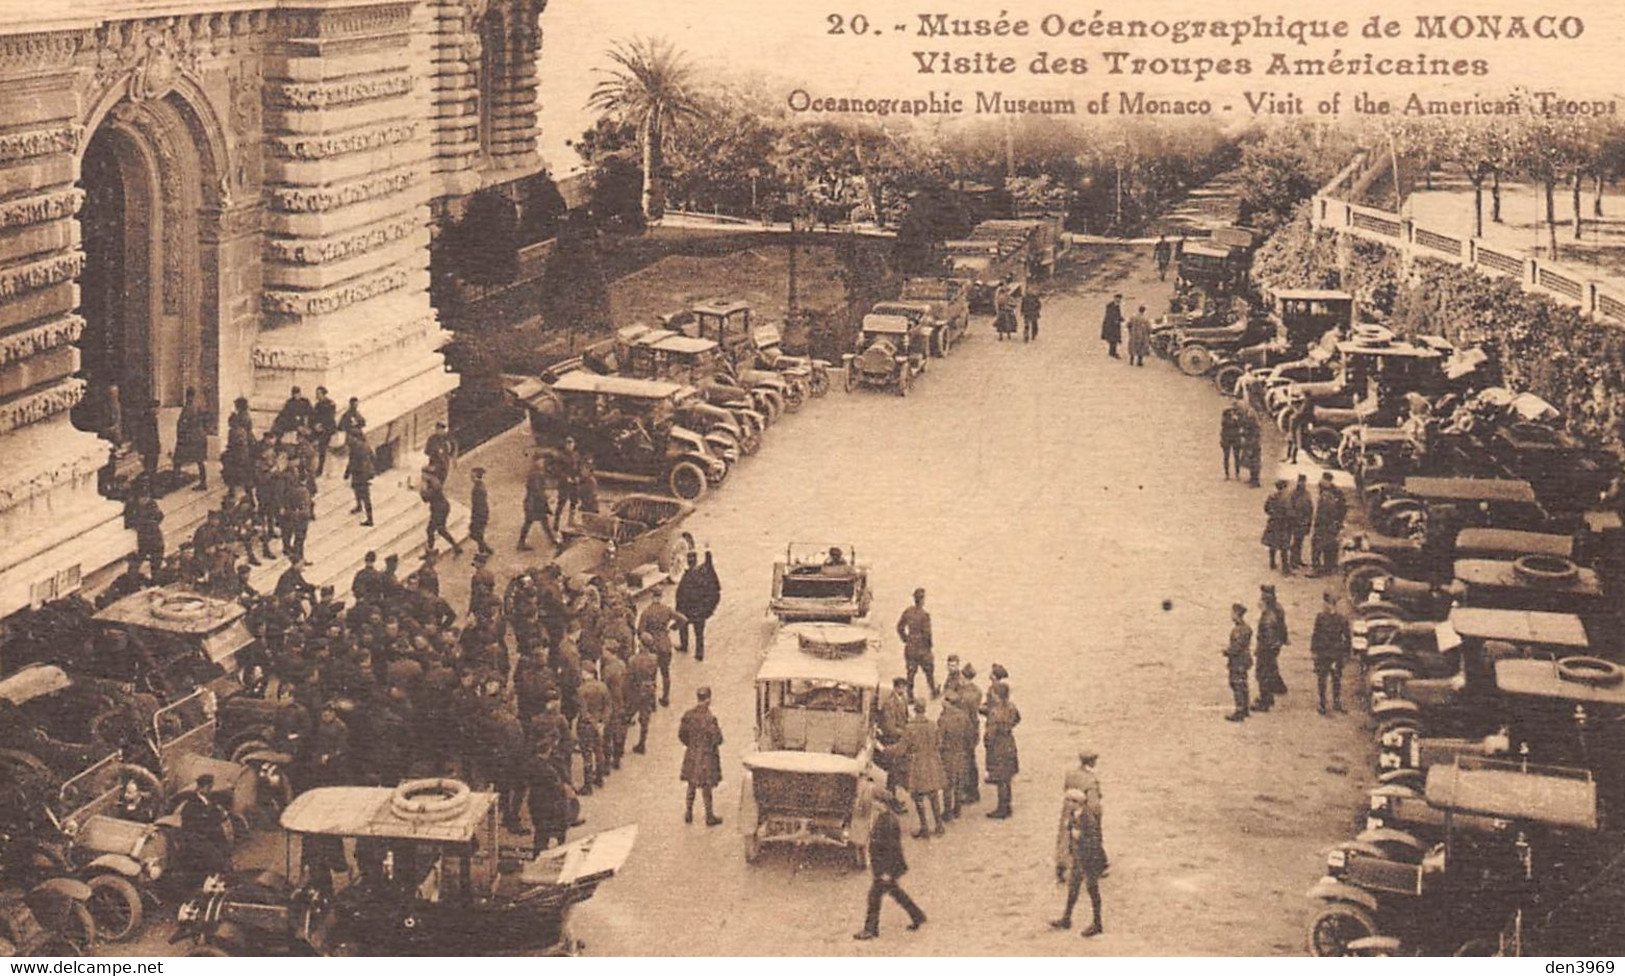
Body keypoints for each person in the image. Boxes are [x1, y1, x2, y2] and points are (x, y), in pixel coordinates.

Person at [853, 783, 926, 940]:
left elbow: (892, 849)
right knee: (896, 893)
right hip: (885, 869)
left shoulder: (887, 822)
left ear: (881, 803)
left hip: (886, 869)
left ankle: (870, 930)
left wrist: (887, 872)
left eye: (874, 802)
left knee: (874, 897)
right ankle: (918, 916)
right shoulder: (884, 818)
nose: (872, 805)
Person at [1051, 775, 1105, 937]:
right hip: (1079, 858)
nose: (1067, 804)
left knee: (1092, 890)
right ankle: (1066, 919)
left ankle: (1097, 923)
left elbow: (1095, 841)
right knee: (1073, 888)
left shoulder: (1087, 818)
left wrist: (1079, 836)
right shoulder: (1075, 815)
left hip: (1089, 859)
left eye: (1069, 801)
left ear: (1077, 803)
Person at [678, 686, 724, 826]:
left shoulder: (688, 715)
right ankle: (709, 816)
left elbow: (681, 735)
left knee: (691, 784)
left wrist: (691, 745)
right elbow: (717, 738)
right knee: (706, 786)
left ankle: (688, 812)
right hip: (706, 755)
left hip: (691, 754)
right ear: (708, 699)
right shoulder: (710, 718)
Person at [901, 700, 946, 838]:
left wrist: (884, 749)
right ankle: (939, 826)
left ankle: (925, 828)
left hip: (918, 764)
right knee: (933, 794)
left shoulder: (910, 728)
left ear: (914, 709)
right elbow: (939, 743)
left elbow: (902, 748)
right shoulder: (932, 725)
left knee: (918, 796)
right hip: (932, 762)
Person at [175, 773, 232, 880]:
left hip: (209, 838)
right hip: (197, 841)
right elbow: (191, 828)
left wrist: (221, 815)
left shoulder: (209, 802)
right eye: (208, 787)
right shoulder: (191, 805)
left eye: (210, 787)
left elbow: (216, 816)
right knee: (215, 857)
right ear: (201, 788)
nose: (210, 790)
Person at [638, 588, 686, 706]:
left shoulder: (646, 612)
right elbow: (683, 619)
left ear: (651, 597)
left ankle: (652, 702)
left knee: (651, 676)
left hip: (652, 647)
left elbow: (640, 631)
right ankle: (665, 698)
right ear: (661, 597)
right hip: (665, 644)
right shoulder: (666, 610)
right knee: (665, 673)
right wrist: (673, 628)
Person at [675, 549, 721, 661]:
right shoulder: (702, 574)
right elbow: (709, 568)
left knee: (684, 628)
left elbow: (681, 595)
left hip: (687, 610)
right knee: (699, 633)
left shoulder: (687, 576)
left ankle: (684, 646)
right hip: (699, 611)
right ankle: (699, 654)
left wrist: (678, 610)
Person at [983, 682, 1021, 819]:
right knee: (1007, 777)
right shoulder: (1011, 706)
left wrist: (987, 743)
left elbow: (989, 734)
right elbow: (1018, 718)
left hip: (998, 747)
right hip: (1009, 743)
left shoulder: (995, 711)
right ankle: (1007, 806)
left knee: (1000, 779)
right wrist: (1008, 727)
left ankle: (1002, 809)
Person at [1311, 591, 1352, 715]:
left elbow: (1348, 638)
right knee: (1322, 680)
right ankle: (1323, 703)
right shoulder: (1320, 617)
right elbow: (1315, 635)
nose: (1324, 606)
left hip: (1335, 654)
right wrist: (1313, 651)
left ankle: (1336, 702)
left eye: (1326, 603)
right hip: (1323, 654)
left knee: (1336, 679)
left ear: (1331, 605)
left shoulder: (1342, 619)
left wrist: (1346, 654)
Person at [936, 691, 973, 822]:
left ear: (948, 703)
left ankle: (947, 812)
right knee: (959, 783)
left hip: (948, 755)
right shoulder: (964, 717)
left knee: (947, 784)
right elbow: (970, 736)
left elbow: (939, 740)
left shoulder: (944, 719)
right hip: (962, 753)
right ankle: (957, 809)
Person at [896, 587, 937, 700]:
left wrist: (906, 639)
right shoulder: (925, 615)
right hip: (922, 649)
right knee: (929, 671)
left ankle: (910, 695)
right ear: (922, 600)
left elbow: (899, 627)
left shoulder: (908, 611)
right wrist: (929, 648)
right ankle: (933, 691)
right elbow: (927, 634)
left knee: (911, 672)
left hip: (910, 647)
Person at [1253, 584, 1289, 712]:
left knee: (1262, 674)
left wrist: (1260, 650)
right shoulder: (1278, 609)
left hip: (1267, 648)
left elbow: (1266, 638)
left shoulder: (1267, 617)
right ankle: (1279, 687)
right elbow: (1282, 626)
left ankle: (1265, 701)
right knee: (1271, 666)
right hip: (1275, 645)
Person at [1310, 472, 1348, 575]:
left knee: (1318, 545)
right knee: (1330, 545)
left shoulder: (1328, 496)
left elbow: (1340, 509)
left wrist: (1337, 522)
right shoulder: (1336, 492)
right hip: (1332, 524)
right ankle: (1329, 567)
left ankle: (1317, 569)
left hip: (1325, 524)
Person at [421, 465, 460, 556]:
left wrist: (422, 488)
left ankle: (431, 551)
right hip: (440, 508)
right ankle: (455, 546)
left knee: (433, 530)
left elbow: (425, 498)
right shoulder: (434, 482)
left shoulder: (434, 485)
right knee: (436, 530)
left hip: (440, 510)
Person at [1224, 603, 1253, 722]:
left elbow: (1236, 647)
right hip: (1244, 660)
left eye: (1232, 613)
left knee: (1236, 684)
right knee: (1243, 684)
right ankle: (1245, 709)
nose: (1231, 615)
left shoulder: (1237, 630)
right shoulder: (1246, 628)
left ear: (1237, 614)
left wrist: (1226, 651)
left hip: (1237, 661)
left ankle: (1240, 711)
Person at [174, 387, 208, 489]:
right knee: (200, 460)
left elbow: (183, 423)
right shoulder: (199, 405)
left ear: (188, 396)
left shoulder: (189, 407)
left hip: (190, 437)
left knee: (177, 458)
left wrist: (180, 435)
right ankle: (203, 482)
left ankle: (176, 478)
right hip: (200, 435)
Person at [518, 455, 553, 550]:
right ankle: (552, 540)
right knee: (535, 522)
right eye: (540, 461)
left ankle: (521, 543)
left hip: (534, 503)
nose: (542, 463)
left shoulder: (536, 473)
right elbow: (536, 490)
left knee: (539, 522)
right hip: (534, 503)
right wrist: (545, 496)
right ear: (535, 462)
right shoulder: (535, 474)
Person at [344, 425, 375, 526]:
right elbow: (373, 457)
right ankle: (359, 506)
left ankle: (370, 519)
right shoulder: (364, 445)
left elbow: (352, 461)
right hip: (361, 473)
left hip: (360, 473)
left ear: (355, 437)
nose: (348, 439)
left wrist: (347, 473)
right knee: (356, 489)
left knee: (365, 495)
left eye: (350, 437)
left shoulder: (357, 447)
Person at [1262, 478, 1292, 575]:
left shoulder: (1272, 496)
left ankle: (1272, 563)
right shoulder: (1286, 498)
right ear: (1284, 487)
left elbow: (1266, 508)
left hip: (1273, 522)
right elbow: (1289, 512)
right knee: (1284, 546)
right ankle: (1285, 568)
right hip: (1282, 524)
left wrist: (1272, 514)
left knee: (1272, 543)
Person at [1288, 473, 1315, 571]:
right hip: (1296, 522)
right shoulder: (1293, 494)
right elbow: (1290, 508)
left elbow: (1310, 508)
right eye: (1300, 482)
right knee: (1295, 542)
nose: (1301, 484)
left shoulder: (1307, 494)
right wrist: (1293, 519)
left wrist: (1308, 521)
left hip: (1304, 522)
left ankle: (1298, 559)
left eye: (1303, 482)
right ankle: (1292, 561)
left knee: (1300, 542)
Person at [310, 387, 337, 477]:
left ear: (324, 394)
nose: (317, 395)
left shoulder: (330, 404)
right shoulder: (317, 405)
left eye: (319, 393)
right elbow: (313, 417)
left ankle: (321, 469)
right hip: (319, 429)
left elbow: (329, 418)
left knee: (323, 448)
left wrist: (321, 426)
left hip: (328, 430)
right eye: (316, 393)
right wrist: (315, 425)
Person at [133, 398, 161, 480]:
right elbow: (143, 436)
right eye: (157, 408)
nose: (159, 410)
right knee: (150, 470)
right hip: (149, 449)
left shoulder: (153, 418)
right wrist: (142, 452)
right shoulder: (146, 420)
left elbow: (155, 435)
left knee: (152, 470)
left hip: (153, 448)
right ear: (152, 408)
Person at [468, 466, 492, 556]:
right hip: (481, 513)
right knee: (476, 533)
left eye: (472, 476)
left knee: (476, 533)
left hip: (479, 514)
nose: (470, 478)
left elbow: (478, 505)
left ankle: (483, 551)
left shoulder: (478, 489)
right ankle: (485, 548)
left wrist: (476, 516)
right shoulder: (479, 486)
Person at [1220, 401, 1246, 481]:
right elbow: (1225, 424)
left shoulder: (1239, 416)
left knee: (1236, 457)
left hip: (1235, 438)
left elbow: (1242, 424)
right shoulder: (1225, 417)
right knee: (1226, 457)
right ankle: (1227, 474)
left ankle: (1237, 474)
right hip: (1227, 439)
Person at [1240, 406, 1263, 487]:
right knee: (1251, 461)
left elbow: (1252, 433)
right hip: (1251, 442)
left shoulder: (1254, 428)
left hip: (1253, 443)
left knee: (1254, 461)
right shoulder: (1253, 424)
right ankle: (1252, 478)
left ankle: (1255, 481)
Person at [1100, 294, 1124, 359]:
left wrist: (1120, 318)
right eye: (1117, 298)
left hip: (1114, 325)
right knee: (1113, 338)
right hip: (1110, 325)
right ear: (1115, 298)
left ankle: (1112, 352)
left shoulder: (1117, 306)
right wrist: (1116, 320)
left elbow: (1117, 315)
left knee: (1114, 339)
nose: (1119, 300)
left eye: (1119, 299)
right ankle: (1112, 353)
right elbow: (1110, 315)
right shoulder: (1110, 306)